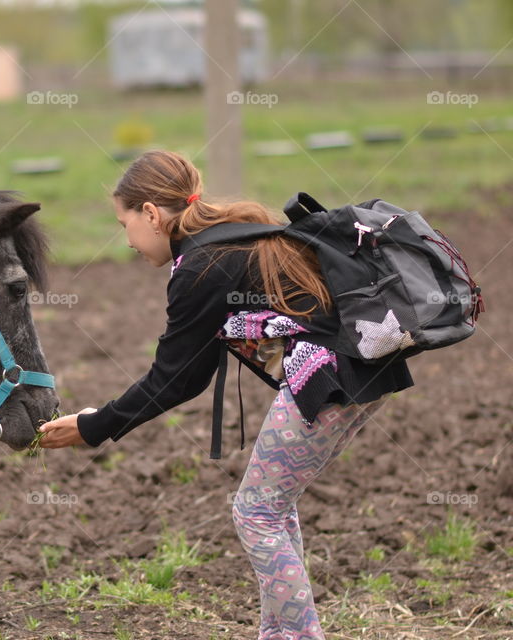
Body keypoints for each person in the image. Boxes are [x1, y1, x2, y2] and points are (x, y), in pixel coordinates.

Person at [36, 150, 413, 640]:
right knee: (271, 507)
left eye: (123, 222)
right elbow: (187, 377)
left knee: (255, 513)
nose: (125, 240)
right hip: (360, 369)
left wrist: (94, 427)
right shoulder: (232, 235)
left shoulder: (199, 266)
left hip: (327, 376)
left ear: (151, 214)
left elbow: (174, 380)